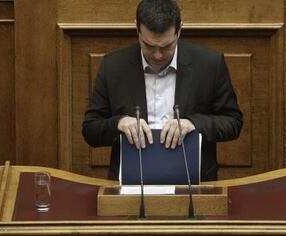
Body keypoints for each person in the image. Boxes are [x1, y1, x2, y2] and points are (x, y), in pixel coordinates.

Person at [82, 0, 243, 181]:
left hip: (193, 185)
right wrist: (119, 123)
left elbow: (233, 123)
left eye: (166, 46)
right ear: (137, 30)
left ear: (179, 30)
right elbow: (90, 129)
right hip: (131, 185)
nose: (157, 55)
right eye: (149, 46)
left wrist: (193, 123)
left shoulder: (209, 64)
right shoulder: (113, 66)